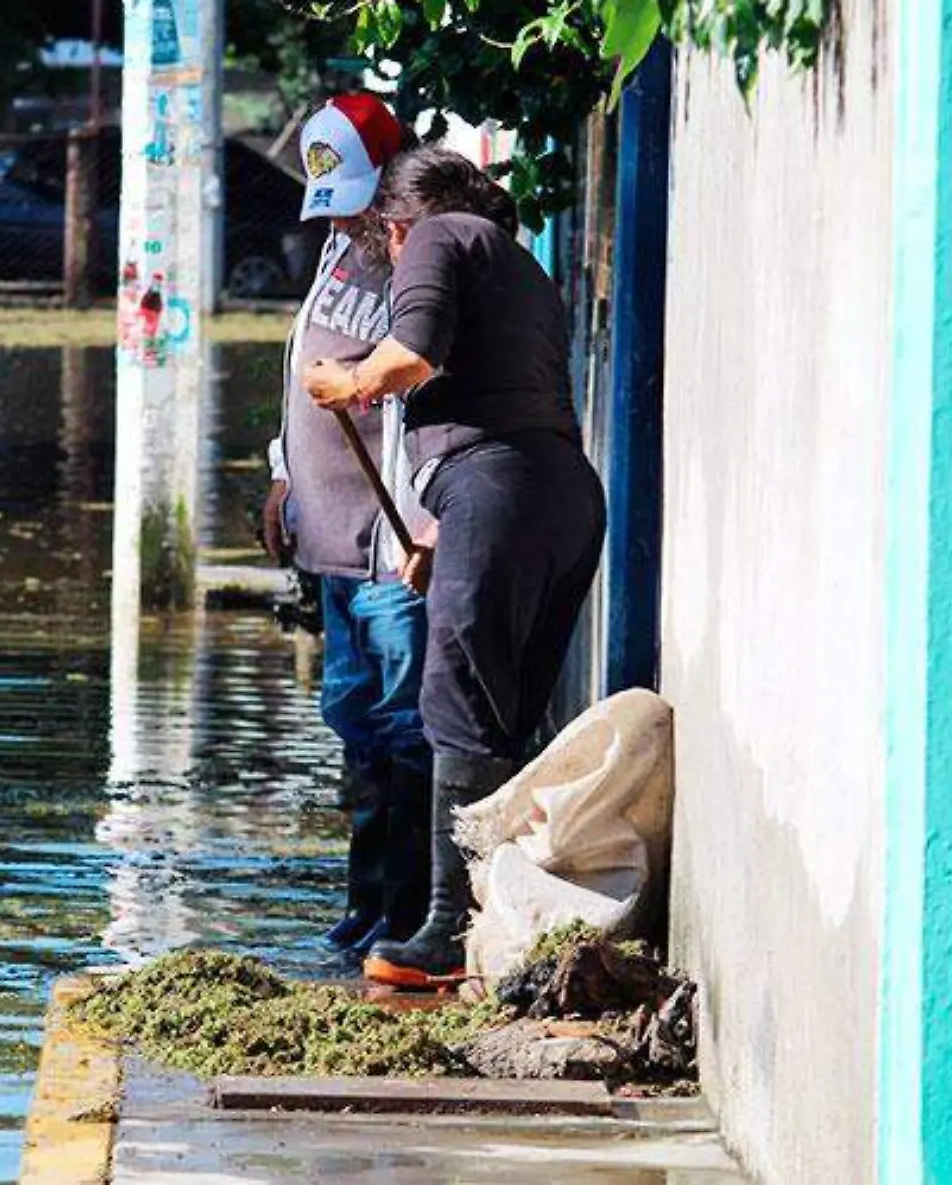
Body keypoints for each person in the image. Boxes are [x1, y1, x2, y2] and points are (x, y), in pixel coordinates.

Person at [304, 147, 607, 987]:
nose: (394, 256)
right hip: (557, 496)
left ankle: (445, 929)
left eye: (387, 240)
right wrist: (447, 529)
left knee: (457, 700)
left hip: (502, 490)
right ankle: (497, 923)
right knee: (503, 712)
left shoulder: (437, 237)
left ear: (398, 224)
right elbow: (524, 410)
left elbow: (413, 355)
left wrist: (350, 382)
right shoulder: (516, 265)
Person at [265, 93, 436, 956]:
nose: (351, 219)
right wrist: (284, 472)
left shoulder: (422, 257)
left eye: (362, 200)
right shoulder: (342, 246)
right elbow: (301, 355)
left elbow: (426, 382)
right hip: (330, 541)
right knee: (355, 721)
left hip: (393, 544)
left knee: (407, 725)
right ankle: (366, 899)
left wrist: (426, 525)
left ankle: (410, 916)